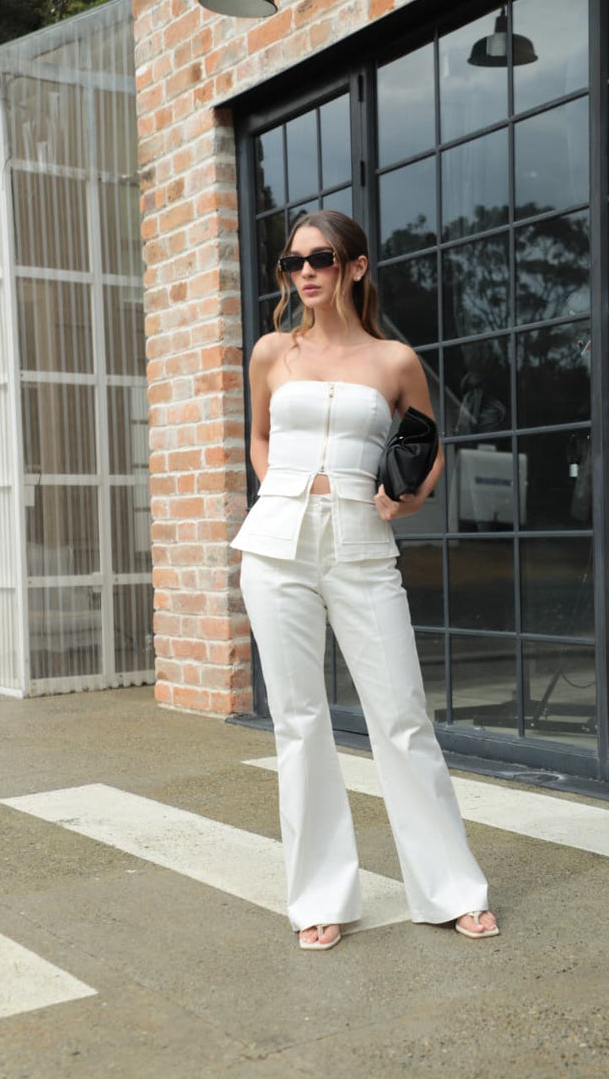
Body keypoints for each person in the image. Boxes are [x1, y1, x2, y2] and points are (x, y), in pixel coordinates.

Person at [231, 209, 499, 951]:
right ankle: (320, 898)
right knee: (299, 721)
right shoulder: (271, 352)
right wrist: (277, 490)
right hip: (276, 548)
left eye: (319, 259)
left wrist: (409, 498)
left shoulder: (393, 360)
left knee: (402, 715)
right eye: (292, 262)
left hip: (362, 546)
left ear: (354, 266)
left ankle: (452, 889)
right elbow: (259, 435)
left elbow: (431, 444)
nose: (304, 273)